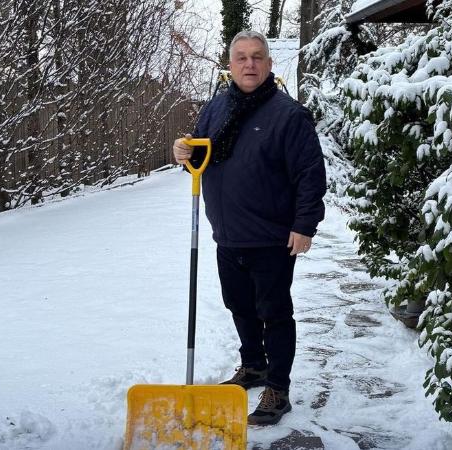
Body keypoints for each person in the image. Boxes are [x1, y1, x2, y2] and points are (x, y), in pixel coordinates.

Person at [172, 30, 326, 426]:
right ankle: (253, 366)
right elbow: (201, 156)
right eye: (241, 57)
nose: (249, 64)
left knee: (273, 313)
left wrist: (304, 225)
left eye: (257, 57)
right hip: (227, 233)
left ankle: (278, 386)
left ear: (270, 64)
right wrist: (183, 153)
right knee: (239, 306)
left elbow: (310, 174)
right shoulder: (215, 108)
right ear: (230, 64)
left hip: (272, 236)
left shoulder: (289, 115)